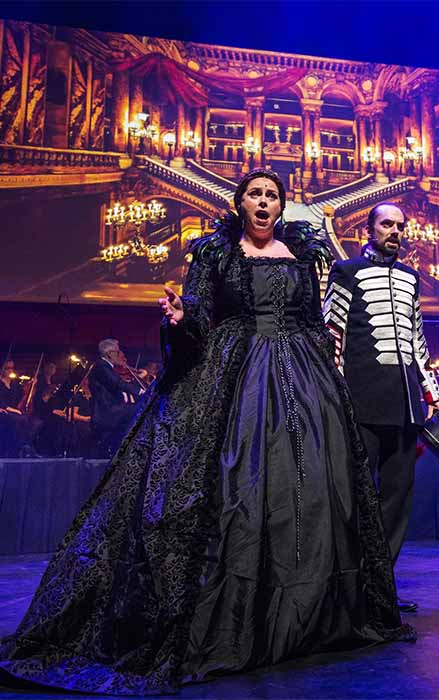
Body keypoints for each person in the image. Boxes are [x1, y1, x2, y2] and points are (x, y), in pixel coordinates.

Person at [0, 172, 414, 696]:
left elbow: (313, 317)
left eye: (272, 196)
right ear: (239, 203)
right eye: (254, 194)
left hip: (306, 378)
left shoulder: (304, 253)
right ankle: (238, 615)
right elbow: (200, 320)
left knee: (313, 490)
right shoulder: (216, 252)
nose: (263, 202)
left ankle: (310, 615)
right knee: (235, 486)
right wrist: (179, 318)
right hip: (237, 373)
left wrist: (328, 375)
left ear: (280, 206)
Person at [323, 202, 439, 612]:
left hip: (406, 403)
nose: (395, 231)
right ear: (370, 229)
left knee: (397, 497)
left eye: (400, 225)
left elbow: (417, 341)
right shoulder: (346, 272)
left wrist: (431, 394)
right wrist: (335, 392)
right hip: (361, 400)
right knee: (357, 495)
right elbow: (332, 335)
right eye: (387, 224)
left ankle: (381, 589)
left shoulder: (412, 278)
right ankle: (351, 590)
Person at [88, 338, 144, 457]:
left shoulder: (106, 366)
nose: (120, 355)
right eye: (117, 352)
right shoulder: (101, 366)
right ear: (109, 354)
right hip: (107, 410)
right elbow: (118, 383)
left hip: (113, 409)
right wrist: (141, 391)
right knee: (138, 411)